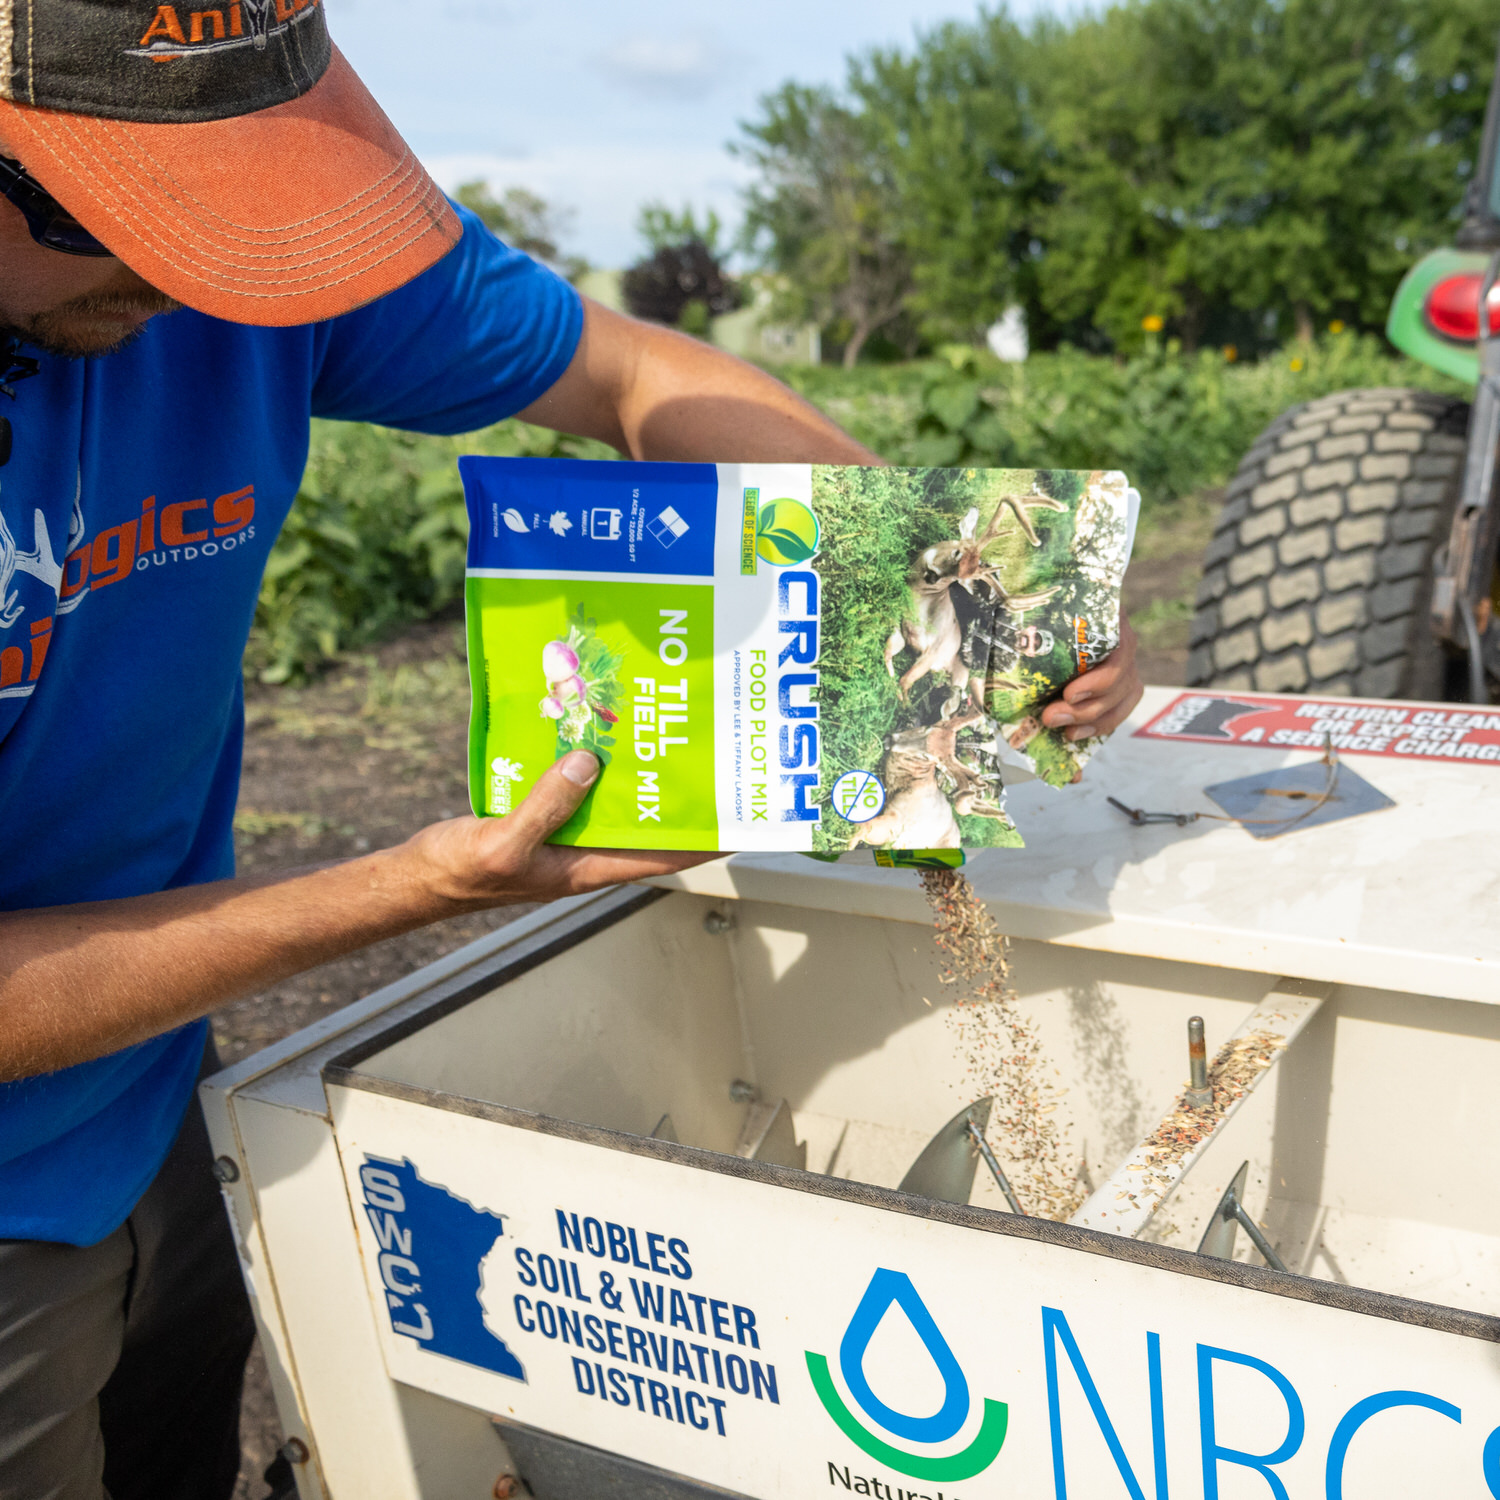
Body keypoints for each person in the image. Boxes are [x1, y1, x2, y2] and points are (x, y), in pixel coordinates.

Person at [0, 6, 1145, 1498]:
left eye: (247, 211)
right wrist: (407, 890)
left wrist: (941, 568)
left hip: (151, 1077)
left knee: (178, 1438)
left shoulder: (222, 277)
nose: (219, 277)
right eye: (159, 222)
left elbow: (625, 373)